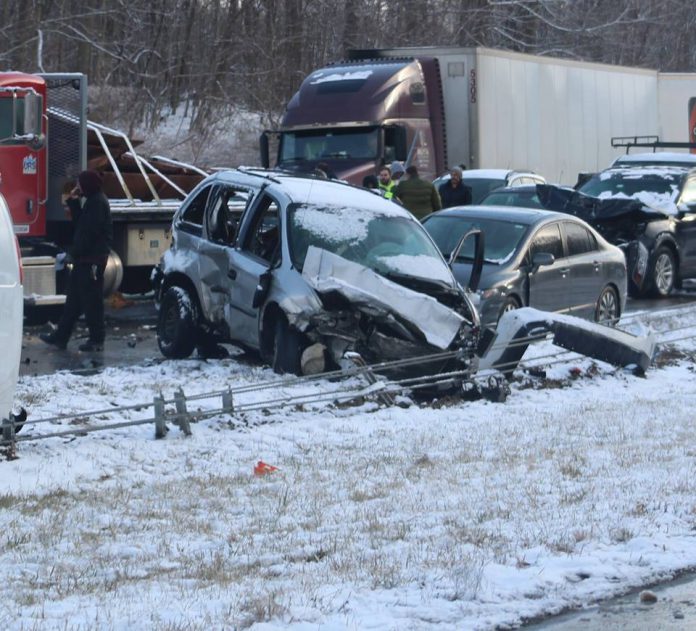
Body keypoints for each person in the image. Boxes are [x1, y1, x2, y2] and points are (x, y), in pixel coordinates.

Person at [40, 170, 113, 352]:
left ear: (87, 185)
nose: (78, 187)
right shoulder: (92, 202)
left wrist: (74, 252)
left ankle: (96, 339)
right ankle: (61, 337)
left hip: (91, 260)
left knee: (92, 301)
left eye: (80, 184)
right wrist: (73, 202)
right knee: (73, 300)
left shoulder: (97, 203)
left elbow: (88, 233)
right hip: (85, 259)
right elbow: (81, 225)